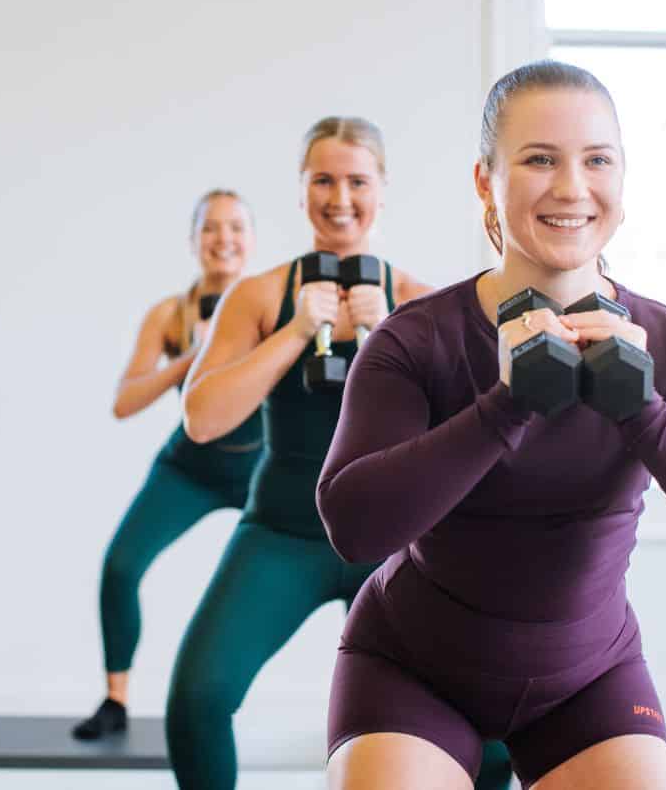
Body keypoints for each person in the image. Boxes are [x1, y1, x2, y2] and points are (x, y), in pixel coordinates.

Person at [317, 61, 666, 790]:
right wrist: (506, 404)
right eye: (539, 159)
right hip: (412, 667)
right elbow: (352, 525)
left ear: (622, 179)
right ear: (486, 180)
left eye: (596, 159)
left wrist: (640, 408)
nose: (572, 187)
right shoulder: (415, 341)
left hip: (585, 675)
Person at [166, 118, 513, 790]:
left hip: (397, 544)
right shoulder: (262, 294)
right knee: (197, 699)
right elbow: (203, 418)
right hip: (281, 532)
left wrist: (385, 335)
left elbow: (467, 444)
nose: (340, 196)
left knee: (492, 730)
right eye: (323, 179)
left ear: (382, 190)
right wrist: (299, 329)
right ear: (301, 193)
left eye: (357, 180)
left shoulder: (422, 302)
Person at [72, 190, 265, 741]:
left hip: (261, 469)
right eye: (211, 228)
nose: (222, 238)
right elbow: (124, 401)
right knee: (120, 567)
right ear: (193, 241)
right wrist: (192, 357)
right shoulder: (171, 315)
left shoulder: (271, 305)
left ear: (250, 242)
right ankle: (115, 701)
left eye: (235, 228)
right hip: (191, 467)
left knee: (352, 569)